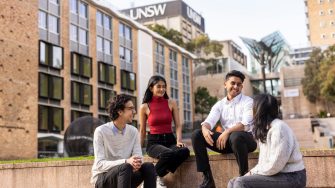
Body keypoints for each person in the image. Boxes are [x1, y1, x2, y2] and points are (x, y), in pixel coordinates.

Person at [192, 70, 257, 188]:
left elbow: (245, 124)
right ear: (225, 84)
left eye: (239, 84)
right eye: (233, 83)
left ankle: (244, 178)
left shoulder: (248, 102)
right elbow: (208, 121)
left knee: (236, 135)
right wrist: (204, 128)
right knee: (197, 134)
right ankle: (208, 180)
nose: (235, 86)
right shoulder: (219, 105)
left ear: (242, 86)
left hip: (246, 141)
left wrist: (227, 131)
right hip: (227, 142)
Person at [228, 94, 306, 188]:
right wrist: (250, 173)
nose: (250, 112)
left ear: (259, 111)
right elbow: (263, 163)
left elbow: (275, 165)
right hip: (277, 174)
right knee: (233, 182)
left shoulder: (279, 128)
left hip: (293, 176)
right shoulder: (265, 129)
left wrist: (252, 172)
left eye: (252, 108)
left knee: (241, 182)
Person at [91, 94, 156, 188]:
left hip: (126, 176)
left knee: (148, 167)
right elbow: (99, 164)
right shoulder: (101, 131)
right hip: (103, 179)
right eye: (130, 108)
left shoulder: (133, 131)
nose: (134, 112)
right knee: (125, 167)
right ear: (120, 111)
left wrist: (136, 162)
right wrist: (126, 161)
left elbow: (139, 157)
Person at [139, 75, 190, 188]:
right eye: (159, 86)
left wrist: (179, 140)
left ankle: (154, 177)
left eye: (164, 87)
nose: (162, 89)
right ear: (151, 88)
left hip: (170, 140)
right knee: (168, 153)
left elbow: (177, 125)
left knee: (185, 151)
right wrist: (138, 150)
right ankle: (155, 178)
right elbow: (142, 130)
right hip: (154, 142)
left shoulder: (171, 103)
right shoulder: (144, 107)